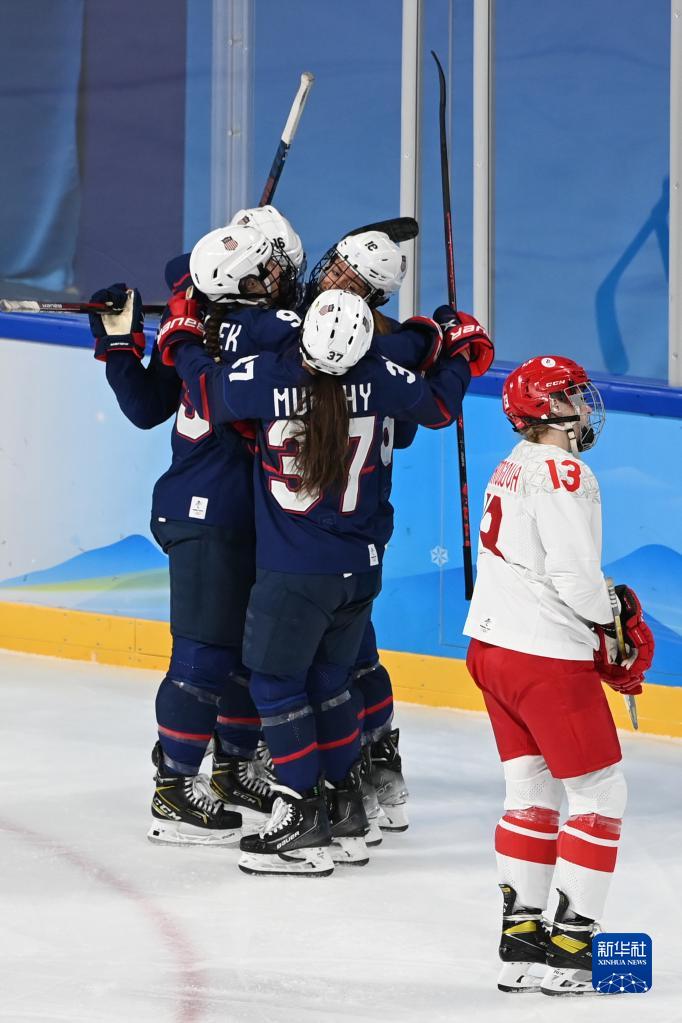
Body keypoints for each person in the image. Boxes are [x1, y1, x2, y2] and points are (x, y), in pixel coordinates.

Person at [157, 284, 491, 875]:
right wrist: (458, 352)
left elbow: (205, 390)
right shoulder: (382, 377)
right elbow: (440, 406)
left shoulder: (272, 376)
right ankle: (345, 813)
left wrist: (180, 339)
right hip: (361, 569)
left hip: (294, 571)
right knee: (333, 684)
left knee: (276, 687)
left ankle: (301, 821)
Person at [89, 208, 305, 845]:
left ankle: (234, 768)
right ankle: (174, 787)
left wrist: (142, 332)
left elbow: (147, 403)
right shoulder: (261, 329)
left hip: (242, 515)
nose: (283, 279)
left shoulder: (203, 323)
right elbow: (150, 405)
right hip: (205, 514)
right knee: (204, 655)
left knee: (243, 653)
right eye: (270, 270)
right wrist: (130, 341)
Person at [463, 355, 655, 995]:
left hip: (492, 648)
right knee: (600, 796)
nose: (583, 406)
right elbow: (573, 578)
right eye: (571, 396)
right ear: (548, 408)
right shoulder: (566, 471)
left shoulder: (512, 463)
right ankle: (573, 952)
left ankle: (520, 947)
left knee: (529, 793)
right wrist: (613, 621)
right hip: (544, 656)